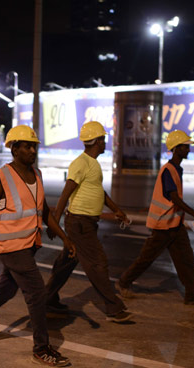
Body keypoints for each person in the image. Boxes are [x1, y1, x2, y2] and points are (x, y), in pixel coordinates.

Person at [0, 125, 76, 367]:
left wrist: (65, 238)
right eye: (26, 146)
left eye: (34, 145)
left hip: (29, 245)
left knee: (6, 290)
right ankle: (41, 348)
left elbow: (43, 212)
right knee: (37, 293)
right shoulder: (1, 178)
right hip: (11, 247)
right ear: (14, 149)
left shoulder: (38, 175)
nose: (32, 150)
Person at [45, 121, 133, 323]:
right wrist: (55, 222)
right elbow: (66, 192)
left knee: (66, 263)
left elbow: (98, 192)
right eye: (103, 139)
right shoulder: (81, 163)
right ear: (96, 141)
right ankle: (113, 308)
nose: (105, 143)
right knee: (97, 263)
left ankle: (47, 299)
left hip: (86, 222)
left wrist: (116, 210)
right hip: (79, 223)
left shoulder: (93, 164)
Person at [117, 130, 194, 306]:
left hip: (175, 225)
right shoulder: (169, 170)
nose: (188, 149)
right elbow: (174, 198)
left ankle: (192, 296)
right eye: (185, 146)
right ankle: (123, 282)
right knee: (146, 258)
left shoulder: (176, 169)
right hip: (163, 226)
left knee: (186, 261)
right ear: (176, 149)